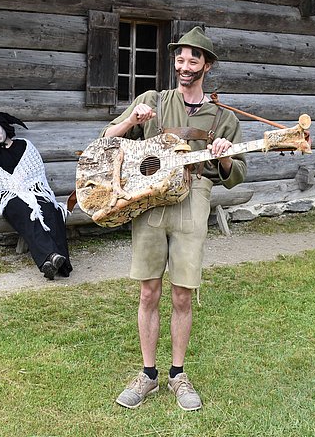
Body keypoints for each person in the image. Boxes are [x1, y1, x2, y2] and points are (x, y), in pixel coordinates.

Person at [103, 27, 247, 411]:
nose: (185, 67)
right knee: (148, 291)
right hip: (151, 200)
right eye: (180, 59)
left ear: (207, 66)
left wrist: (225, 155)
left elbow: (235, 175)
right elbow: (109, 137)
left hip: (194, 197)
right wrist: (133, 119)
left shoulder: (224, 117)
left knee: (182, 293)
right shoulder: (154, 99)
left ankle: (178, 375)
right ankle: (148, 375)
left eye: (193, 60)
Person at [0, 112, 72, 280]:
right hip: (7, 197)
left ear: (5, 128)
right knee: (24, 211)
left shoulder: (25, 146)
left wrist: (29, 191)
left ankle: (53, 262)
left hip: (34, 190)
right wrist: (17, 191)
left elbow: (37, 173)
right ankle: (52, 256)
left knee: (51, 210)